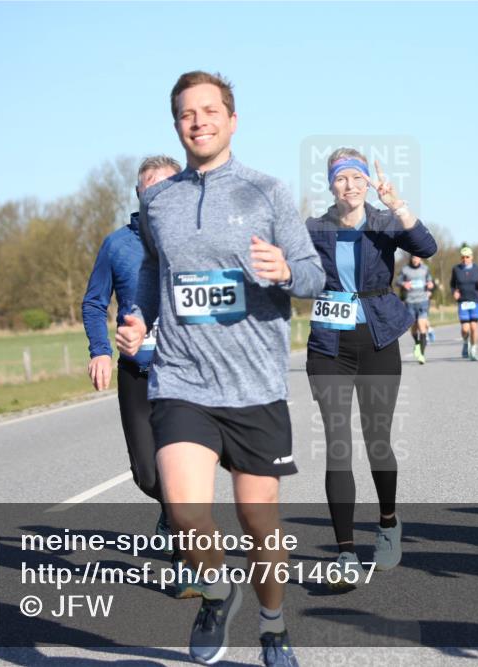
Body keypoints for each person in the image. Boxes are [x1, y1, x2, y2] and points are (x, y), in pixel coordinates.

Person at [117, 71, 325, 666]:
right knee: (184, 510)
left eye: (210, 110)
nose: (199, 121)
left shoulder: (268, 192)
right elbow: (156, 273)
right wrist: (139, 319)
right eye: (187, 113)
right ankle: (215, 588)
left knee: (260, 527)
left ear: (232, 120)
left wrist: (286, 270)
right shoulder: (158, 200)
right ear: (176, 124)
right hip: (182, 380)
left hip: (255, 385)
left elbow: (312, 277)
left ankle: (273, 624)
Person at [306, 148, 437, 589]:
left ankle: (387, 523)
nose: (350, 186)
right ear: (331, 185)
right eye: (341, 179)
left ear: (366, 182)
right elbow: (289, 273)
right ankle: (345, 553)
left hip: (379, 340)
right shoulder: (314, 228)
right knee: (337, 444)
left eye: (357, 178)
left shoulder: (383, 223)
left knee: (378, 441)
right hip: (329, 348)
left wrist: (397, 204)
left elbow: (428, 247)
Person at [82, 155, 205, 599]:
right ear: (139, 196)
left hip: (185, 373)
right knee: (148, 476)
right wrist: (99, 350)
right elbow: (94, 304)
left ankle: (184, 561)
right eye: (148, 190)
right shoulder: (117, 245)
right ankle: (169, 510)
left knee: (181, 471)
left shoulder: (196, 237)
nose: (156, 197)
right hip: (136, 372)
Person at [451, 246, 478, 360]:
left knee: (474, 327)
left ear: (472, 257)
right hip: (463, 302)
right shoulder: (456, 269)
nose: (465, 259)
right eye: (463, 257)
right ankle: (466, 343)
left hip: (475, 300)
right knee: (465, 328)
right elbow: (452, 284)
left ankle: (474, 349)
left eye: (467, 257)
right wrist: (454, 292)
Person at [398, 255, 435, 364]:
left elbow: (430, 281)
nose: (415, 259)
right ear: (411, 258)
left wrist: (430, 284)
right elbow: (397, 281)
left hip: (423, 301)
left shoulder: (425, 269)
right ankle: (417, 343)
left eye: (417, 257)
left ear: (420, 259)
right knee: (413, 328)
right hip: (410, 302)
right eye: (414, 257)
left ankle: (422, 355)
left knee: (421, 326)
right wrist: (403, 283)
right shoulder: (405, 269)